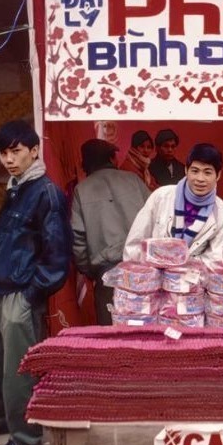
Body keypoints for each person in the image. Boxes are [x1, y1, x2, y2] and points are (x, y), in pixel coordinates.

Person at [0, 120, 72, 445]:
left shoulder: (47, 193)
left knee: (18, 370)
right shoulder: (15, 187)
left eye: (16, 151)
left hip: (21, 292)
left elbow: (57, 257)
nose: (9, 159)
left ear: (34, 151)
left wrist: (31, 294)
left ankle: (26, 439)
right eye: (4, 153)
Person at [71, 139, 150, 325]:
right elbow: (156, 220)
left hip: (107, 275)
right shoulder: (134, 180)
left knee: (112, 338)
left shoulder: (81, 190)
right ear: (112, 159)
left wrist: (90, 270)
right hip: (142, 271)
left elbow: (78, 240)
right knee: (145, 334)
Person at [124, 143, 223, 263]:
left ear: (218, 175)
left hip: (194, 279)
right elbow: (133, 247)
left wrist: (184, 264)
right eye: (195, 171)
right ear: (186, 170)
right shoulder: (161, 197)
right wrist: (156, 264)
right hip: (154, 277)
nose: (200, 179)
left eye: (207, 173)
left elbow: (218, 259)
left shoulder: (222, 212)